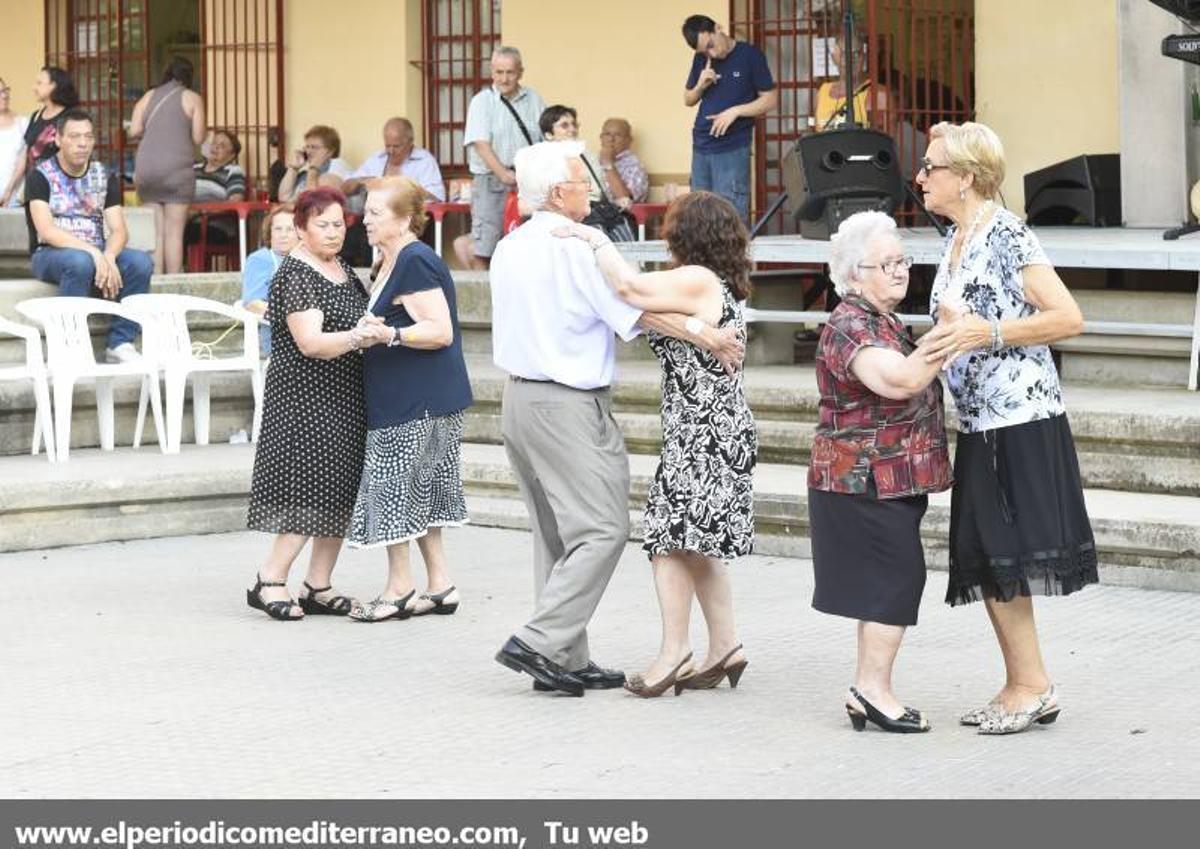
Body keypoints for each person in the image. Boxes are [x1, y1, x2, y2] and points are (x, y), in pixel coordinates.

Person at [489, 140, 744, 697]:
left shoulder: (511, 245)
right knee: (604, 528)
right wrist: (707, 334)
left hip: (520, 399)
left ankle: (564, 655)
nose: (592, 191)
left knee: (556, 534)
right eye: (584, 182)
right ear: (560, 193)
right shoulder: (573, 248)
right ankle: (539, 640)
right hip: (565, 403)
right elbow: (636, 310)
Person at [915, 121, 1096, 735]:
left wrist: (984, 333)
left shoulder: (1006, 233)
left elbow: (1068, 316)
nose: (921, 175)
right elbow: (961, 319)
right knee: (990, 555)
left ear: (965, 178)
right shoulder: (959, 237)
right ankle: (1022, 682)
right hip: (981, 419)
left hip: (1020, 419)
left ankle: (1032, 684)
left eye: (933, 166)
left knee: (1003, 553)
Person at [553, 191, 758, 699]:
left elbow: (628, 288)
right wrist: (694, 330)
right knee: (696, 539)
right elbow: (649, 315)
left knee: (667, 538)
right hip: (712, 424)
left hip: (703, 429)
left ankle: (674, 653)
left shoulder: (697, 279)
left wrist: (594, 236)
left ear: (686, 235)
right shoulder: (713, 285)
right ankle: (726, 645)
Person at [807, 211, 953, 733]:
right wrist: (949, 334)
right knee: (895, 581)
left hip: (884, 479)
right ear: (853, 276)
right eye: (885, 263)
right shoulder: (850, 327)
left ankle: (867, 689)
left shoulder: (880, 320)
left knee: (883, 584)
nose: (898, 271)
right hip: (861, 478)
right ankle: (872, 690)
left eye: (902, 260)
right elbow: (900, 382)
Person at [245, 187, 389, 621]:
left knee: (342, 488)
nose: (332, 232)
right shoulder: (295, 273)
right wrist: (357, 338)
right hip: (305, 397)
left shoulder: (342, 267)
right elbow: (310, 343)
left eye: (337, 224)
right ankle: (270, 579)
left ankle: (318, 585)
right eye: (321, 224)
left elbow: (356, 316)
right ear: (302, 230)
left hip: (346, 392)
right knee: (309, 487)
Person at [345, 176, 473, 622]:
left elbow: (439, 330)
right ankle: (440, 584)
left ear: (403, 220)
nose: (366, 219)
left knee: (392, 488)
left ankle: (400, 587)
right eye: (367, 210)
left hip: (413, 401)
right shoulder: (397, 257)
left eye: (376, 212)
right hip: (427, 397)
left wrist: (390, 334)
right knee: (422, 490)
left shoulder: (413, 259)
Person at [25, 108, 152, 364]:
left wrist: (108, 254)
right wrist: (94, 253)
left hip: (96, 252)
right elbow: (46, 231)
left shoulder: (104, 176)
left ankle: (120, 342)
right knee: (79, 262)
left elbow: (119, 230)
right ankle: (69, 344)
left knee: (140, 263)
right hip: (50, 253)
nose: (82, 143)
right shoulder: (40, 175)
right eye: (74, 136)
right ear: (58, 139)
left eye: (88, 136)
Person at [681, 15, 777, 222]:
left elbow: (770, 100)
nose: (711, 53)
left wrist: (735, 111)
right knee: (697, 213)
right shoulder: (701, 59)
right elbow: (688, 99)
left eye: (711, 45)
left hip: (732, 145)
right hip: (701, 144)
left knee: (729, 213)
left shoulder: (750, 55)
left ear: (718, 28)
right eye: (705, 51)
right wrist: (700, 86)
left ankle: (732, 255)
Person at [457, 46, 545, 270]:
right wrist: (503, 174)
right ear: (491, 72)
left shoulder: (534, 99)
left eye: (510, 72)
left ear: (521, 72)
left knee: (527, 243)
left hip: (527, 181)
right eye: (499, 72)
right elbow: (480, 144)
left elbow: (544, 139)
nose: (504, 79)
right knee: (485, 245)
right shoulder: (482, 101)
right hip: (491, 180)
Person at [129, 56, 206, 274]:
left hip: (147, 169)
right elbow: (199, 137)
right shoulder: (192, 98)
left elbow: (134, 130)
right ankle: (173, 285)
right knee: (174, 232)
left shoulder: (148, 96)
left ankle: (155, 283)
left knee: (156, 233)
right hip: (176, 170)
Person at [1, 66, 78, 207]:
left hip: (60, 198)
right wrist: (9, 190)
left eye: (39, 83)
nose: (34, 87)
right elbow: (25, 155)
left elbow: (77, 157)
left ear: (53, 86)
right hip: (33, 195)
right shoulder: (36, 116)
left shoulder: (70, 118)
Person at [342, 117, 446, 202]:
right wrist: (361, 181)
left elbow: (438, 199)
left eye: (396, 146)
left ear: (410, 142)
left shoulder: (424, 161)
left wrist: (405, 190)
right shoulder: (377, 159)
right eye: (387, 146)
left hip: (411, 220)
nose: (391, 151)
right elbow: (344, 188)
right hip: (375, 220)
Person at [241, 202, 297, 357]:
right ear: (269, 233)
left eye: (290, 229)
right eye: (278, 229)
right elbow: (252, 303)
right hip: (280, 337)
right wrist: (293, 317)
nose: (283, 234)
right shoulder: (261, 259)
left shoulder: (305, 260)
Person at [277, 125, 352, 202]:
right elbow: (283, 198)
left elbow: (313, 199)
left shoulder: (338, 164)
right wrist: (293, 168)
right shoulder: (305, 173)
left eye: (314, 147)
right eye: (307, 147)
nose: (308, 152)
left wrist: (313, 168)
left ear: (330, 151)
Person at [598, 118, 649, 207]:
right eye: (607, 134)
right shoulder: (591, 162)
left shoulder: (635, 167)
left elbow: (625, 202)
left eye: (617, 135)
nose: (611, 139)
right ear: (601, 138)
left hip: (618, 218)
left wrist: (608, 164)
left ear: (629, 140)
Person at [0, 77, 30, 207]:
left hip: (14, 197)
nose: (4, 95)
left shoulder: (23, 123)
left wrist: (8, 191)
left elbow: (22, 161)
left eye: (5, 90)